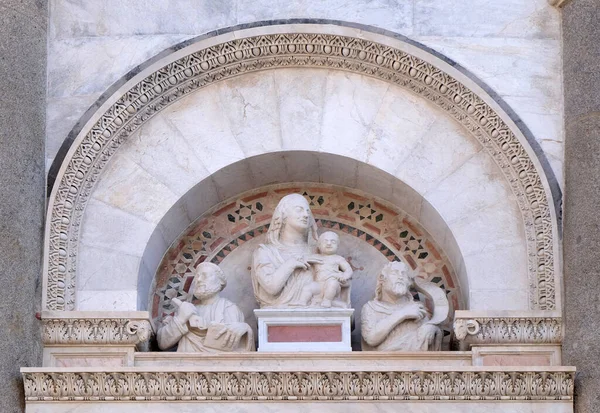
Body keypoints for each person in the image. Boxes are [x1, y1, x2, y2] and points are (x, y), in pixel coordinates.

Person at [157, 262, 253, 352]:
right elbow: (162, 343)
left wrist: (245, 328)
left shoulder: (229, 309)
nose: (198, 280)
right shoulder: (186, 310)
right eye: (197, 276)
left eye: (204, 276)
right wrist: (180, 319)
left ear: (220, 282)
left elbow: (237, 349)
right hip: (187, 366)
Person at [251, 193, 323, 308]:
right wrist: (291, 264)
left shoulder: (318, 251)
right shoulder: (266, 252)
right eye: (299, 210)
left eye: (308, 211)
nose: (305, 215)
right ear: (283, 215)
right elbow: (271, 287)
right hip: (276, 317)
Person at [361, 261, 442, 351]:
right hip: (384, 362)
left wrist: (431, 328)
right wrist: (403, 314)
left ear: (408, 282)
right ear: (382, 280)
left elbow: (430, 334)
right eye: (394, 273)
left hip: (417, 362)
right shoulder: (371, 308)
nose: (400, 277)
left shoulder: (418, 308)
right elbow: (371, 338)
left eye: (403, 274)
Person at [297, 231, 352, 307]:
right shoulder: (315, 257)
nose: (329, 243)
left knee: (332, 284)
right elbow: (302, 259)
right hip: (318, 284)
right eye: (325, 241)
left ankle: (327, 300)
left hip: (332, 282)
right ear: (319, 246)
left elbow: (348, 270)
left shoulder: (338, 259)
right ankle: (302, 301)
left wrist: (344, 276)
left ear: (337, 246)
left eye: (333, 241)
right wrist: (305, 260)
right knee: (308, 287)